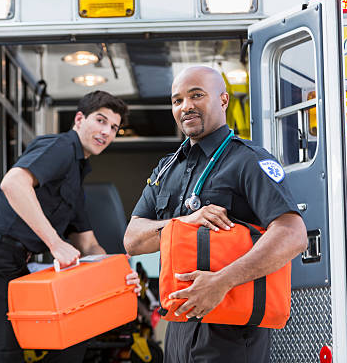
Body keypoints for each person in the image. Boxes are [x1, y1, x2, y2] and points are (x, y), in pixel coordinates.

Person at [124, 66, 308, 363]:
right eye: (177, 100)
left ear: (223, 100)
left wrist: (221, 281)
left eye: (196, 95)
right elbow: (132, 240)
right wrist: (182, 222)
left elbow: (293, 234)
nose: (186, 106)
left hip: (232, 331)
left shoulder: (248, 160)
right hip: (180, 327)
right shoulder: (167, 169)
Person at [0, 90, 141, 363]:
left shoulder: (77, 179)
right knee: (4, 354)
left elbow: (89, 244)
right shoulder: (60, 147)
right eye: (101, 121)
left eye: (114, 128)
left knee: (77, 331)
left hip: (16, 263)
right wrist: (55, 244)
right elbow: (13, 183)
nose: (107, 132)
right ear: (79, 119)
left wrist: (120, 276)